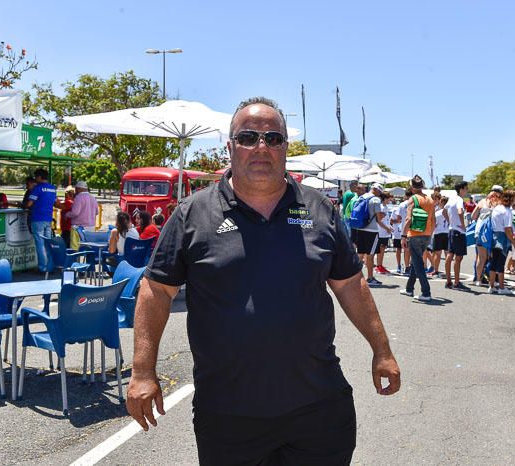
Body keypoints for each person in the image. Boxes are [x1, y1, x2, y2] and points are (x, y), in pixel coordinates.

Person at [126, 97, 400, 465]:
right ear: (230, 146)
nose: (261, 147)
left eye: (273, 138)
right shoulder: (194, 213)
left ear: (285, 147)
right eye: (248, 137)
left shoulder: (320, 209)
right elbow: (156, 290)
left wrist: (382, 351)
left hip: (318, 408)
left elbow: (351, 285)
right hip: (228, 414)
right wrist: (143, 371)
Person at [399, 175, 436, 301]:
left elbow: (408, 219)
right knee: (416, 262)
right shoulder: (430, 199)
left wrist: (403, 235)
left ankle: (426, 292)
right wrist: (430, 233)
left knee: (418, 264)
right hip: (427, 234)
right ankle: (409, 288)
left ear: (412, 187)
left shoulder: (413, 199)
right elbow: (433, 220)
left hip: (414, 234)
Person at [487, 190, 515, 295]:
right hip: (503, 238)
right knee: (501, 263)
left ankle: (491, 286)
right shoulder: (507, 211)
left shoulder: (497, 208)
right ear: (510, 199)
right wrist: (514, 243)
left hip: (494, 236)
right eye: (514, 198)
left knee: (493, 263)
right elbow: (507, 229)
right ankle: (501, 287)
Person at [355, 183, 387, 287]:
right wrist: (387, 228)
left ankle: (354, 277)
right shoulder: (375, 200)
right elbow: (378, 219)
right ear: (377, 190)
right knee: (370, 255)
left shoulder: (362, 197)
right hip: (371, 231)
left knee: (360, 254)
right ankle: (370, 277)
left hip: (360, 228)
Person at [26, 168, 57, 273]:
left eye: (36, 177)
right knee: (48, 243)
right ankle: (50, 266)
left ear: (39, 177)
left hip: (38, 218)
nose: (35, 179)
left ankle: (42, 268)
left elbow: (29, 204)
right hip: (48, 218)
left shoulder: (38, 188)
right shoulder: (53, 188)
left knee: (40, 244)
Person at [471, 187, 502, 286]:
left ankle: (478, 279)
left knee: (480, 257)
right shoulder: (498, 203)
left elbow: (473, 216)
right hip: (491, 233)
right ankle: (492, 280)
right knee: (492, 257)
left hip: (479, 232)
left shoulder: (482, 202)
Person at [443, 181, 469, 290]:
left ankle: (449, 280)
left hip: (452, 230)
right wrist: (463, 225)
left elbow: (444, 211)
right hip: (458, 231)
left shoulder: (451, 198)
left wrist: (450, 222)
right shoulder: (459, 199)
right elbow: (460, 211)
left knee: (450, 255)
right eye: (466, 188)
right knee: (458, 257)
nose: (467, 190)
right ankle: (456, 282)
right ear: (461, 189)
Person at [66, 180, 99, 250]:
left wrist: (67, 215)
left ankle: (75, 261)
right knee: (89, 249)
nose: (75, 191)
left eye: (76, 189)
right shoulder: (93, 198)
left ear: (79, 188)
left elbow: (75, 213)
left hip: (78, 228)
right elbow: (96, 212)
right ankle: (88, 261)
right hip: (91, 227)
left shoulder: (78, 197)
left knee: (75, 249)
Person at [430, 195, 449, 277]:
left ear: (441, 203)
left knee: (437, 254)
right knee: (447, 254)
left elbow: (434, 224)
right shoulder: (450, 212)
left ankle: (436, 270)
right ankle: (447, 271)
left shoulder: (437, 213)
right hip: (447, 233)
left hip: (438, 234)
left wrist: (431, 233)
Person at [375, 192, 393, 275]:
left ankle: (380, 265)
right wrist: (387, 228)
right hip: (381, 232)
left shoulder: (385, 207)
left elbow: (386, 220)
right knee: (380, 249)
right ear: (385, 198)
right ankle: (378, 265)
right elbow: (378, 221)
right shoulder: (381, 207)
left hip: (385, 232)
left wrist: (389, 227)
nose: (390, 200)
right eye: (389, 198)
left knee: (383, 249)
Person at [395, 190, 413, 275]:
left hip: (403, 229)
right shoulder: (414, 203)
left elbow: (398, 218)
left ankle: (406, 267)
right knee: (412, 250)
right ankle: (409, 266)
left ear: (406, 195)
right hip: (413, 229)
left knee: (405, 249)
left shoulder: (401, 205)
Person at [389, 196, 405, 274]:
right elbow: (391, 221)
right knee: (398, 250)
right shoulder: (395, 210)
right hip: (397, 234)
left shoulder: (408, 209)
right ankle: (398, 265)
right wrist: (398, 220)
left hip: (405, 233)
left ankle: (407, 265)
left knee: (407, 250)